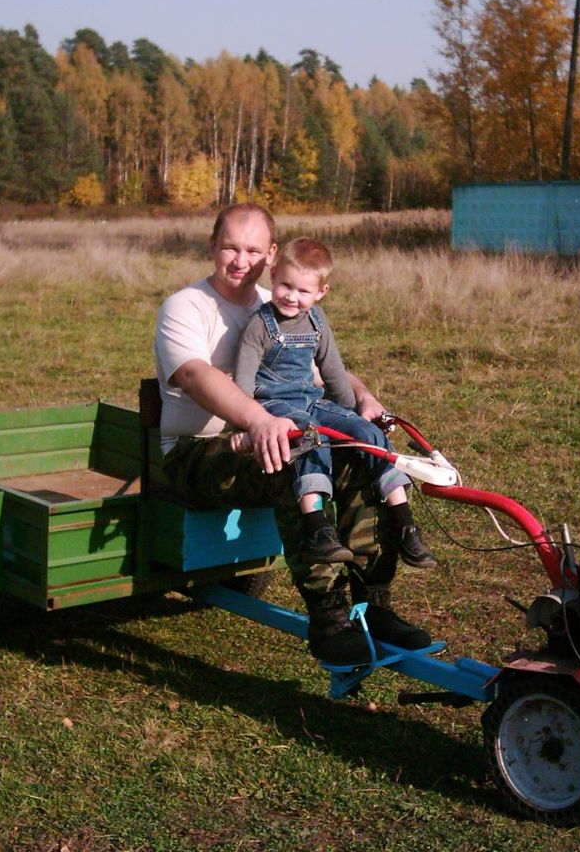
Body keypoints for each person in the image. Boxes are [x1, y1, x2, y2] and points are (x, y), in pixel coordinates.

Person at [153, 203, 433, 666]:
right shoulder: (186, 306)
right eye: (229, 247)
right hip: (198, 451)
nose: (240, 260)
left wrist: (361, 397)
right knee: (286, 457)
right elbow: (194, 376)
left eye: (252, 250)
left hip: (275, 430)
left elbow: (318, 372)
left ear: (271, 253)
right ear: (211, 246)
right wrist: (258, 421)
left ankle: (375, 604)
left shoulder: (281, 301)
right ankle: (329, 619)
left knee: (358, 456)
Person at [231, 237, 435, 572]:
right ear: (273, 277)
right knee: (312, 437)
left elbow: (333, 372)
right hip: (273, 405)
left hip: (310, 400)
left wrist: (351, 414)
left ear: (321, 292)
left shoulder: (317, 321)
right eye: (285, 285)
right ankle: (318, 528)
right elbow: (242, 380)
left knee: (367, 433)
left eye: (303, 291)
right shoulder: (260, 325)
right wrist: (244, 427)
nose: (292, 297)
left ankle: (403, 522)